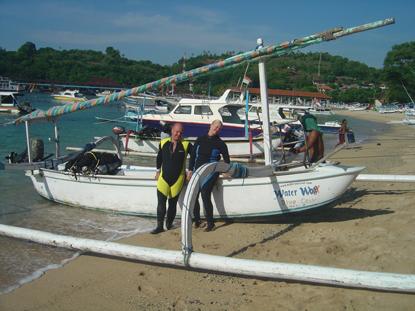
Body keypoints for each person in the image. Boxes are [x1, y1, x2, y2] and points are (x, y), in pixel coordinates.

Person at [187, 120, 230, 232]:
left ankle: (210, 223)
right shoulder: (200, 139)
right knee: (194, 194)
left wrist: (225, 170)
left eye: (219, 128)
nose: (217, 129)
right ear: (211, 126)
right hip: (198, 170)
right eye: (216, 127)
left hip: (211, 171)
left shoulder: (220, 143)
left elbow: (227, 160)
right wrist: (190, 170)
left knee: (205, 192)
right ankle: (197, 221)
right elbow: (192, 157)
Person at [151, 123, 192, 234]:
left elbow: (194, 157)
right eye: (176, 131)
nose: (178, 134)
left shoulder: (186, 145)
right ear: (172, 130)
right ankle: (159, 227)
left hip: (178, 179)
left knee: (172, 204)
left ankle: (169, 225)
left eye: (180, 132)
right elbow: (159, 157)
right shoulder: (163, 143)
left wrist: (190, 170)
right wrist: (157, 171)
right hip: (163, 178)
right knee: (161, 203)